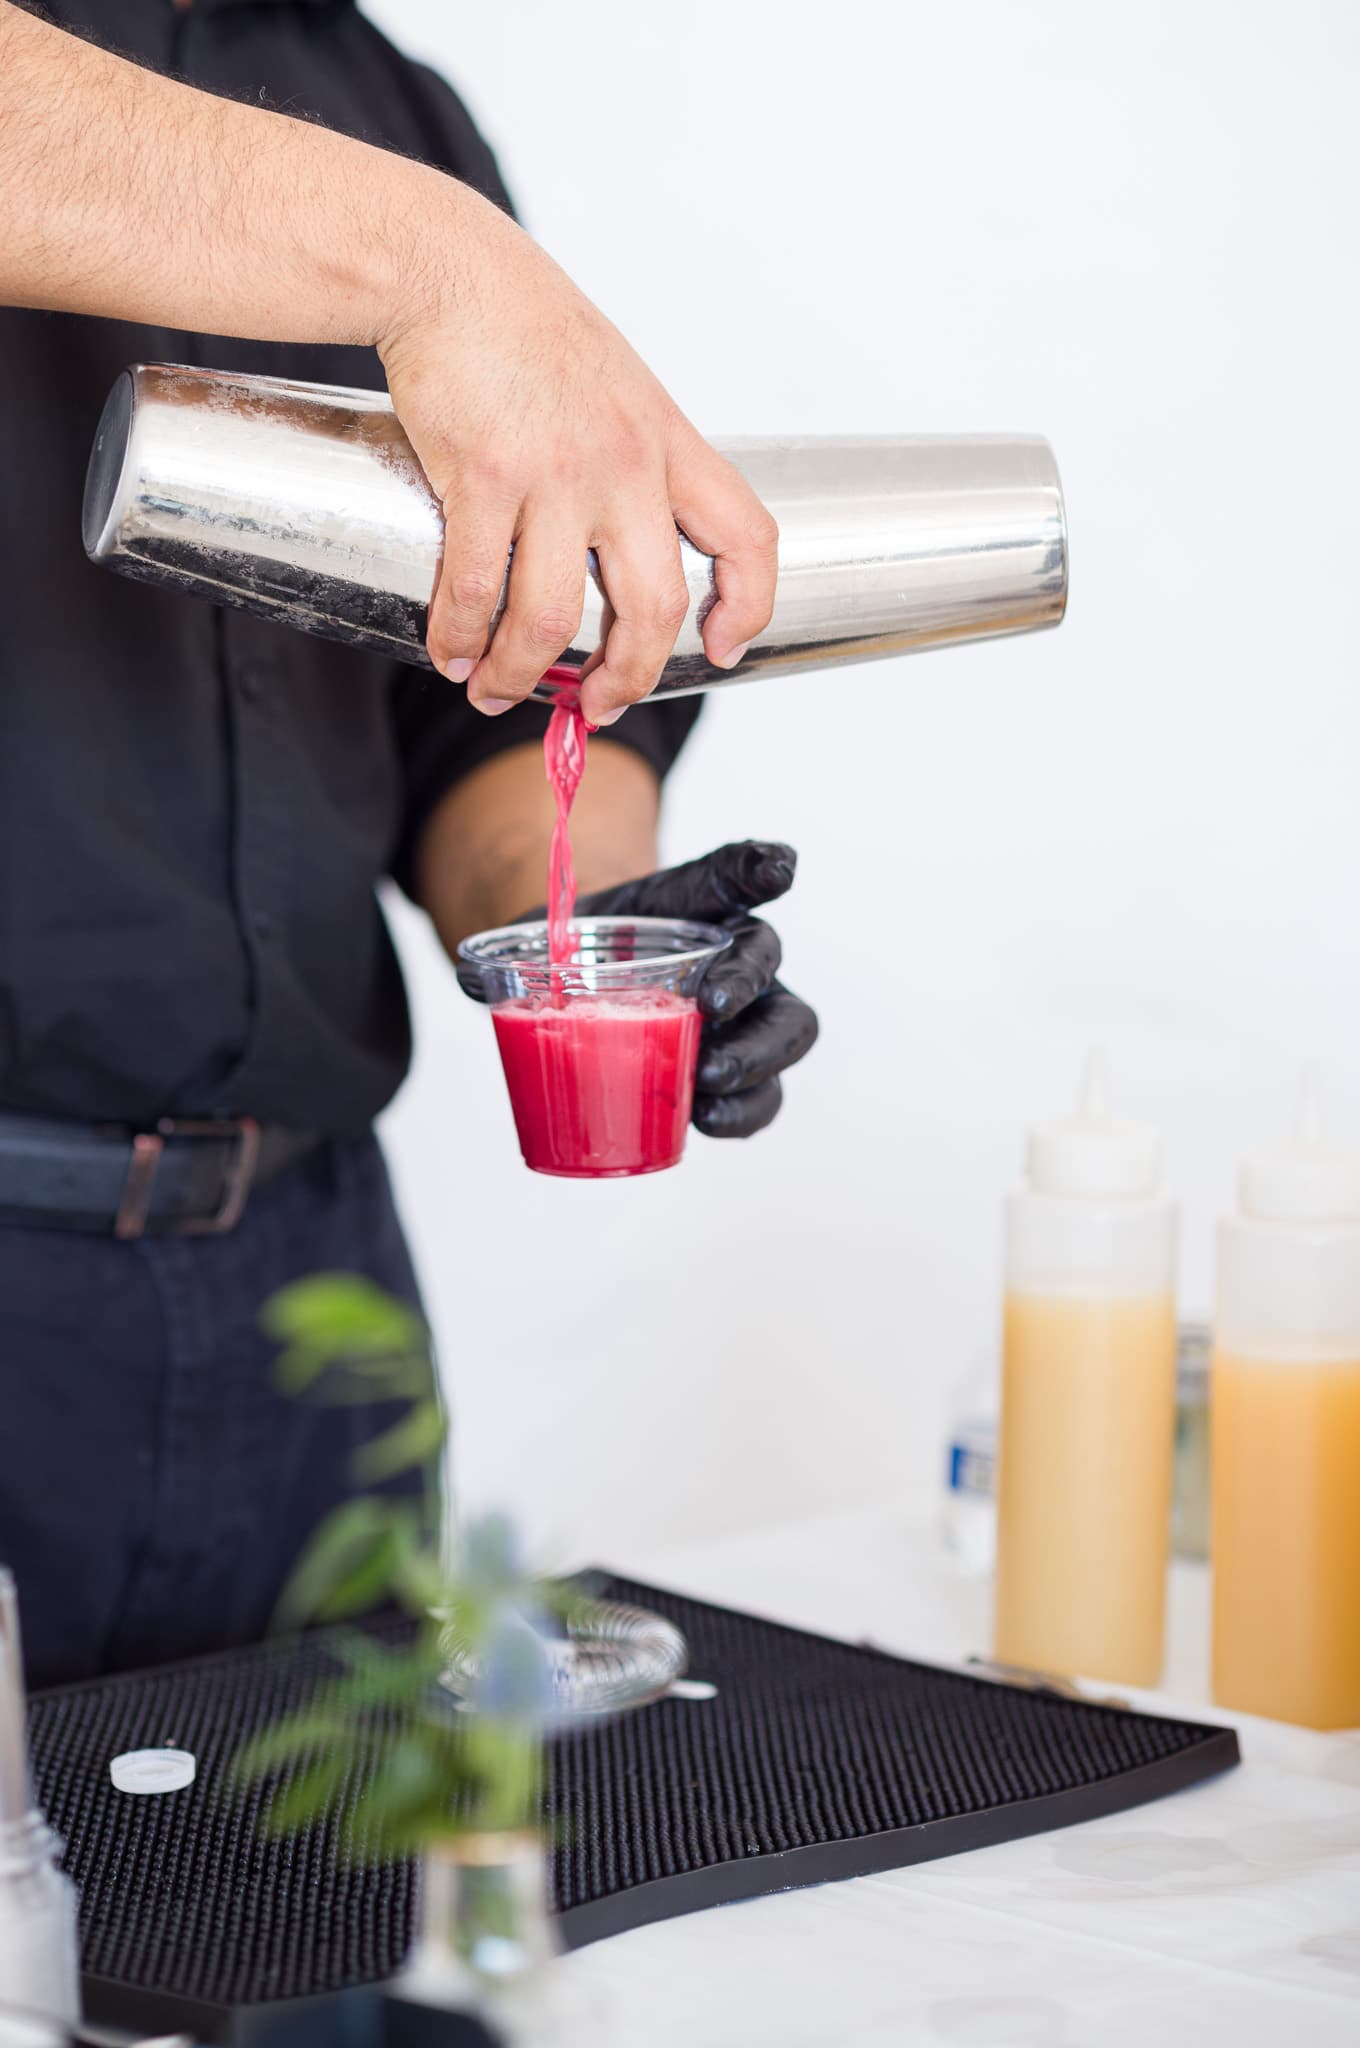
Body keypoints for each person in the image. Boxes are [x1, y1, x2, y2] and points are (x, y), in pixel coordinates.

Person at [0, 0, 818, 1688]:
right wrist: (438, 263)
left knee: (324, 1922)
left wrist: (586, 919)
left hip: (309, 1297)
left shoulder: (382, 101)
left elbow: (497, 701)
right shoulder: (412, 215)